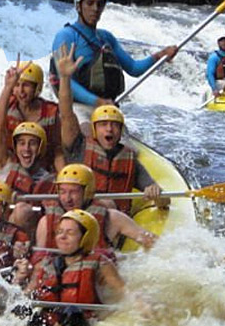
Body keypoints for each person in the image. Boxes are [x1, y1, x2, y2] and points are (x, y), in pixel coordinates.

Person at [54, 42, 168, 214]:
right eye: (103, 125)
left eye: (114, 125)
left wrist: (157, 195)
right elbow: (66, 112)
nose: (109, 130)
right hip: (77, 218)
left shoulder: (130, 161)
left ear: (121, 131)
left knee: (109, 207)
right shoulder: (79, 146)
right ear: (94, 129)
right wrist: (64, 78)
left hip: (111, 226)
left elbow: (165, 199)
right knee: (106, 204)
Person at [49, 0, 178, 121]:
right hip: (77, 108)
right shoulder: (66, 36)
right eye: (90, 3)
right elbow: (64, 81)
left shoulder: (106, 37)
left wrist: (160, 55)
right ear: (78, 6)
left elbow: (134, 69)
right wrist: (96, 102)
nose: (95, 9)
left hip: (106, 108)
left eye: (100, 4)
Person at [16, 209, 124, 326]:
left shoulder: (100, 263)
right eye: (60, 232)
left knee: (72, 311)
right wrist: (18, 279)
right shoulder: (45, 264)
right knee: (27, 311)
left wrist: (139, 305)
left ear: (85, 237)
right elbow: (28, 294)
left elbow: (122, 291)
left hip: (83, 324)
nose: (62, 237)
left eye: (70, 233)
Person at [34, 163, 158, 257]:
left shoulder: (113, 218)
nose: (67, 199)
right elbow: (40, 261)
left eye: (74, 192)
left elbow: (152, 242)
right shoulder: (45, 223)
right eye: (63, 192)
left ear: (87, 192)